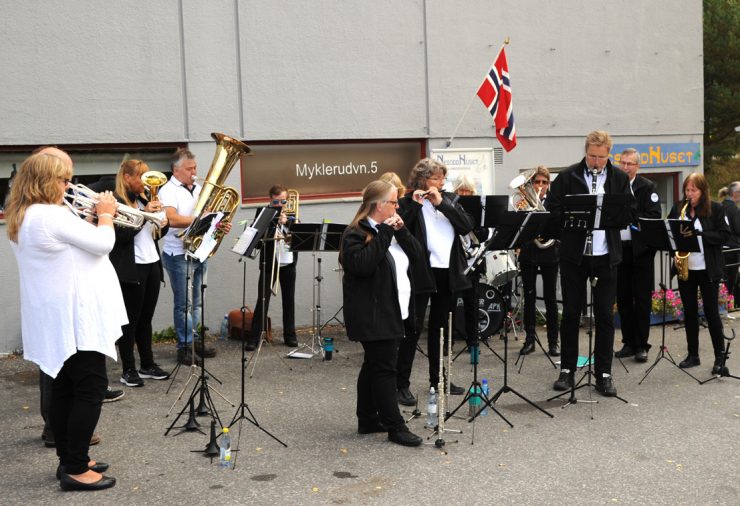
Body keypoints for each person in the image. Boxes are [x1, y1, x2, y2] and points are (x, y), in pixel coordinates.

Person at [6, 150, 126, 491]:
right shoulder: (49, 215)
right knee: (90, 389)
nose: (69, 185)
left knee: (64, 389)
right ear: (46, 181)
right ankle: (75, 467)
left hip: (56, 316)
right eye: (64, 179)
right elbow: (104, 244)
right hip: (75, 318)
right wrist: (105, 214)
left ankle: (70, 457)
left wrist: (89, 221)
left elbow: (72, 250)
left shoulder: (27, 213)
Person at [546, 131, 633, 397]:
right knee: (571, 313)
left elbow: (630, 211)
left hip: (606, 256)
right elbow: (552, 208)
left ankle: (604, 374)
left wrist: (614, 213)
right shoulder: (568, 176)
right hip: (575, 256)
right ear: (586, 152)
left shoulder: (618, 178)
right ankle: (568, 370)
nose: (596, 162)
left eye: (601, 157)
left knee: (605, 316)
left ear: (609, 154)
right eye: (592, 156)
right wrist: (571, 217)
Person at [340, 180, 424, 446]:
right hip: (373, 315)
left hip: (395, 310)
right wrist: (386, 234)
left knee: (373, 365)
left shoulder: (390, 230)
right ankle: (395, 426)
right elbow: (362, 265)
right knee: (386, 369)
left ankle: (367, 419)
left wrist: (402, 232)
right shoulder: (356, 232)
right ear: (379, 205)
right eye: (393, 202)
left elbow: (417, 256)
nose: (398, 206)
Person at [397, 158, 474, 405]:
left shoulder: (450, 199)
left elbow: (466, 226)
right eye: (435, 179)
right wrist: (419, 204)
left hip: (447, 272)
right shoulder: (408, 202)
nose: (440, 183)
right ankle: (402, 384)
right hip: (420, 271)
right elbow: (402, 229)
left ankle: (439, 378)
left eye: (442, 178)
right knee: (413, 328)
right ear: (421, 180)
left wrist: (442, 205)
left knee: (442, 329)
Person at [108, 160, 170, 386]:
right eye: (141, 177)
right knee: (130, 321)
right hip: (131, 268)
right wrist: (144, 215)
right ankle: (128, 369)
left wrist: (162, 220)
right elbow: (121, 237)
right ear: (127, 177)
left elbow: (157, 234)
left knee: (146, 318)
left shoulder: (145, 198)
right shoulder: (116, 202)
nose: (146, 182)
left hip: (152, 263)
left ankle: (147, 364)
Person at [668, 173, 730, 374]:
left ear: (702, 191)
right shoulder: (679, 208)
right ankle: (693, 354)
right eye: (687, 190)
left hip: (707, 269)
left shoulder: (715, 209)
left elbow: (724, 235)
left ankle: (720, 357)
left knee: (712, 314)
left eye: (693, 190)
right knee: (690, 312)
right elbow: (669, 232)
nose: (689, 194)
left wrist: (700, 235)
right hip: (686, 268)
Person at [158, 148, 216, 365]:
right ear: (176, 170)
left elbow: (210, 216)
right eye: (189, 168)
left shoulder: (199, 188)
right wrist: (200, 220)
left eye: (195, 168)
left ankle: (195, 342)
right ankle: (184, 347)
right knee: (184, 304)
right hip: (178, 253)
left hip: (199, 251)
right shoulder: (167, 191)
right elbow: (171, 219)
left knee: (198, 302)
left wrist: (218, 224)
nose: (194, 172)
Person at [613, 149, 662, 363]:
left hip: (640, 252)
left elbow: (653, 216)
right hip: (620, 250)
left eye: (630, 163)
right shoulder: (614, 185)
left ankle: (642, 344)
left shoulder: (647, 187)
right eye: (622, 163)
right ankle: (629, 342)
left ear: (637, 166)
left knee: (641, 299)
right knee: (623, 298)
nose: (625, 167)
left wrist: (631, 215)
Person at [247, 185, 298, 350]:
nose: (280, 205)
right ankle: (254, 338)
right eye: (276, 202)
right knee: (262, 300)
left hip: (288, 262)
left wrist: (287, 223)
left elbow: (297, 234)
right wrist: (273, 221)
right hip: (269, 262)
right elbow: (258, 236)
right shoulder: (264, 212)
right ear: (270, 200)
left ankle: (290, 336)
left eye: (283, 201)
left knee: (288, 300)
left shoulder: (292, 214)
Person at [518, 166, 561, 357]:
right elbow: (519, 229)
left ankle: (554, 342)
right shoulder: (524, 201)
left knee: (551, 298)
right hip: (529, 251)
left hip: (549, 251)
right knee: (529, 297)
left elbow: (558, 223)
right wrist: (521, 214)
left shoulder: (554, 201)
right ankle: (529, 340)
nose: (540, 186)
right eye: (537, 182)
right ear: (531, 183)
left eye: (544, 182)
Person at [720, 181, 740, 304]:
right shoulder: (734, 209)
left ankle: (722, 306)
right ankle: (728, 305)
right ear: (735, 194)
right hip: (732, 250)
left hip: (721, 249)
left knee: (722, 281)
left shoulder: (720, 205)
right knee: (730, 283)